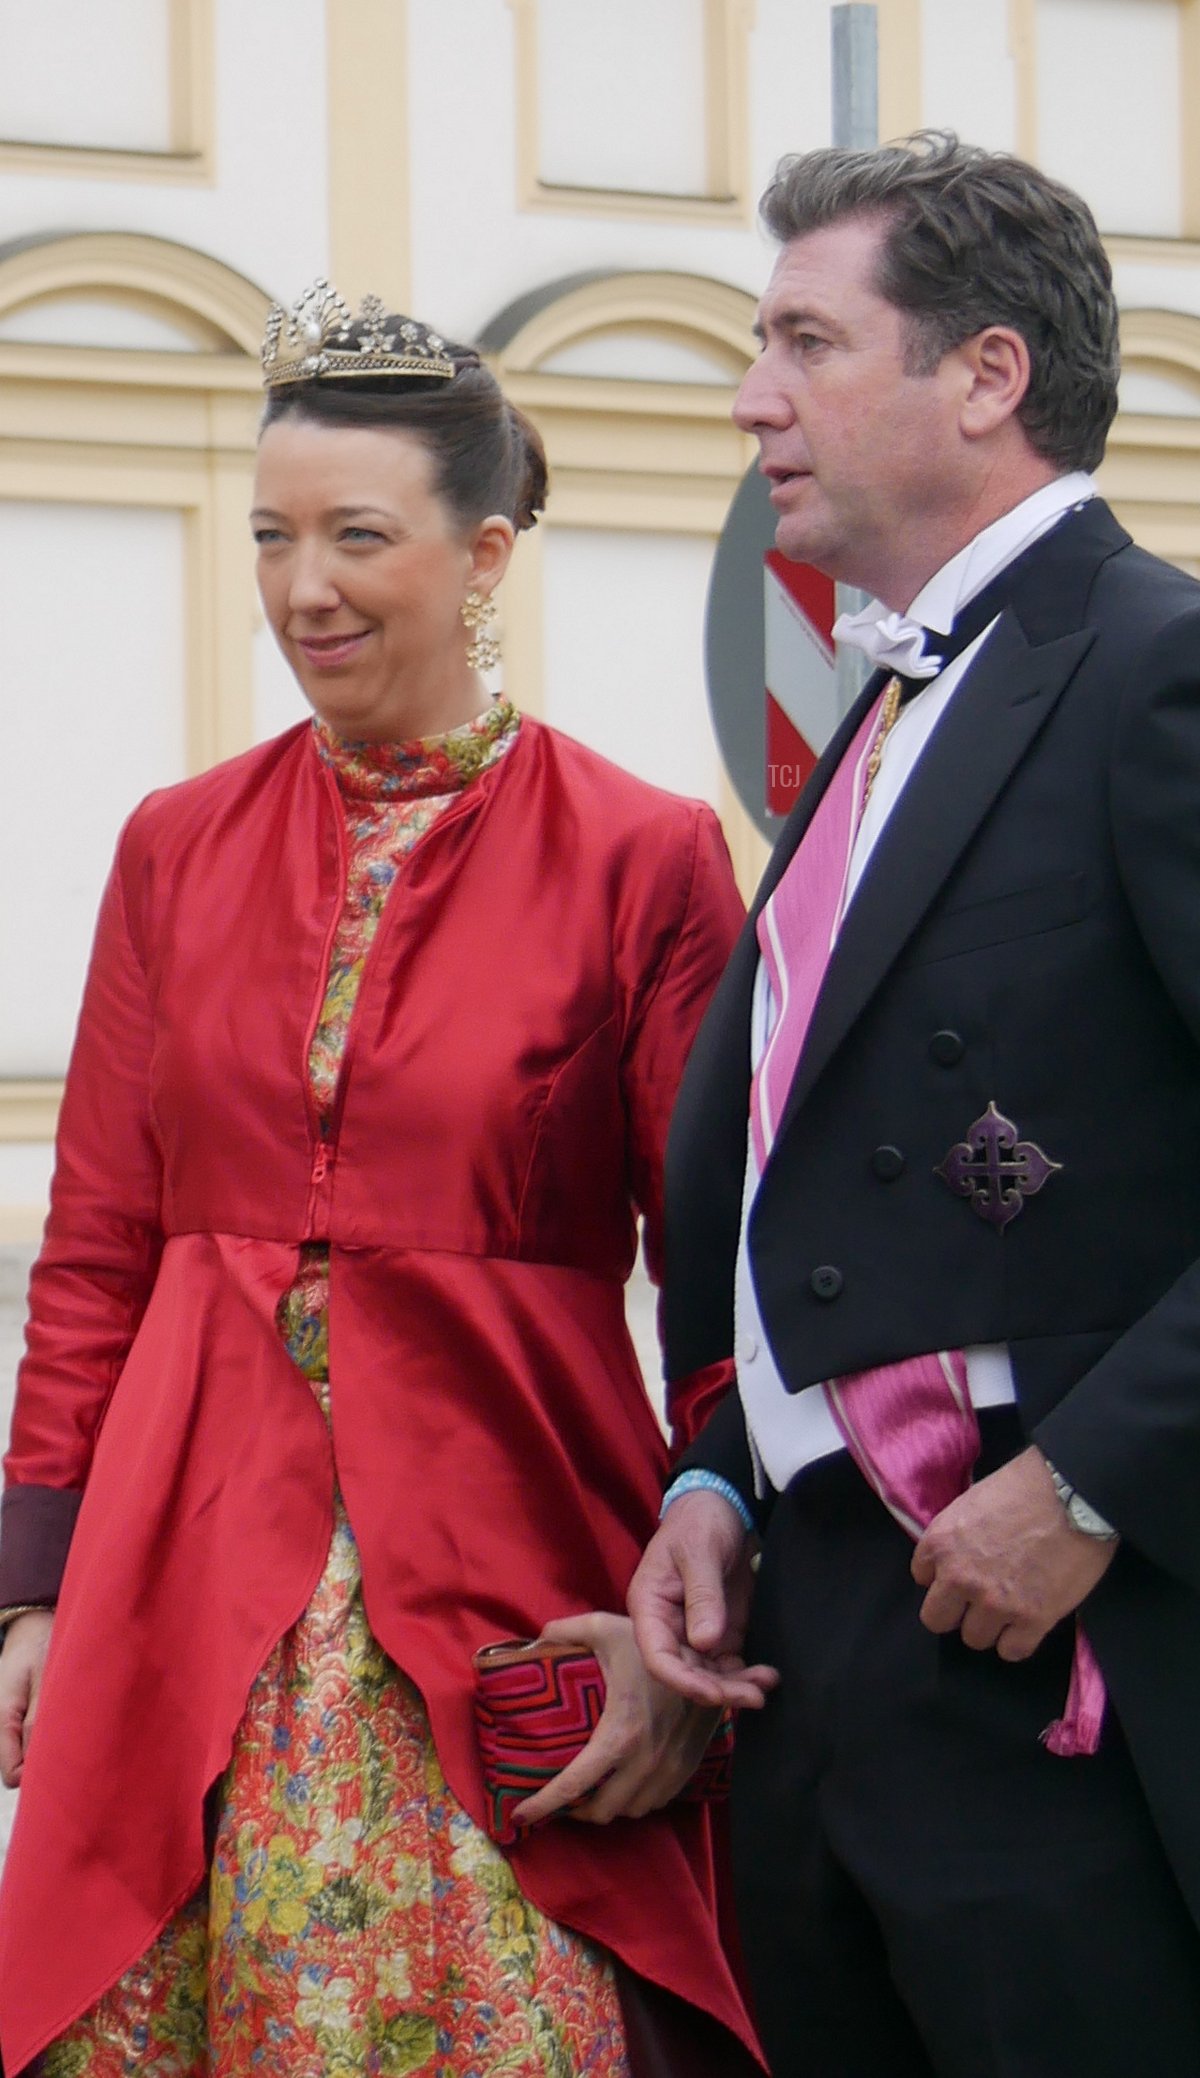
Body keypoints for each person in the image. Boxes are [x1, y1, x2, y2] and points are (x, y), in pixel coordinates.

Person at [0, 281, 762, 2077]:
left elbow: (730, 1272)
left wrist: (718, 1582)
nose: (299, 587)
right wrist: (32, 1582)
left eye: (357, 536)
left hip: (512, 1562)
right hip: (185, 1569)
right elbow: (100, 1237)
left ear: (485, 552)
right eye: (269, 535)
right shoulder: (174, 848)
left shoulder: (644, 857)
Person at [625, 133, 1200, 2077]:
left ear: (987, 375)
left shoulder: (1159, 672)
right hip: (820, 1654)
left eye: (803, 339)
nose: (750, 398)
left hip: (1062, 1639)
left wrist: (1095, 1475)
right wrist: (715, 1470)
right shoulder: (869, 716)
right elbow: (794, 1169)